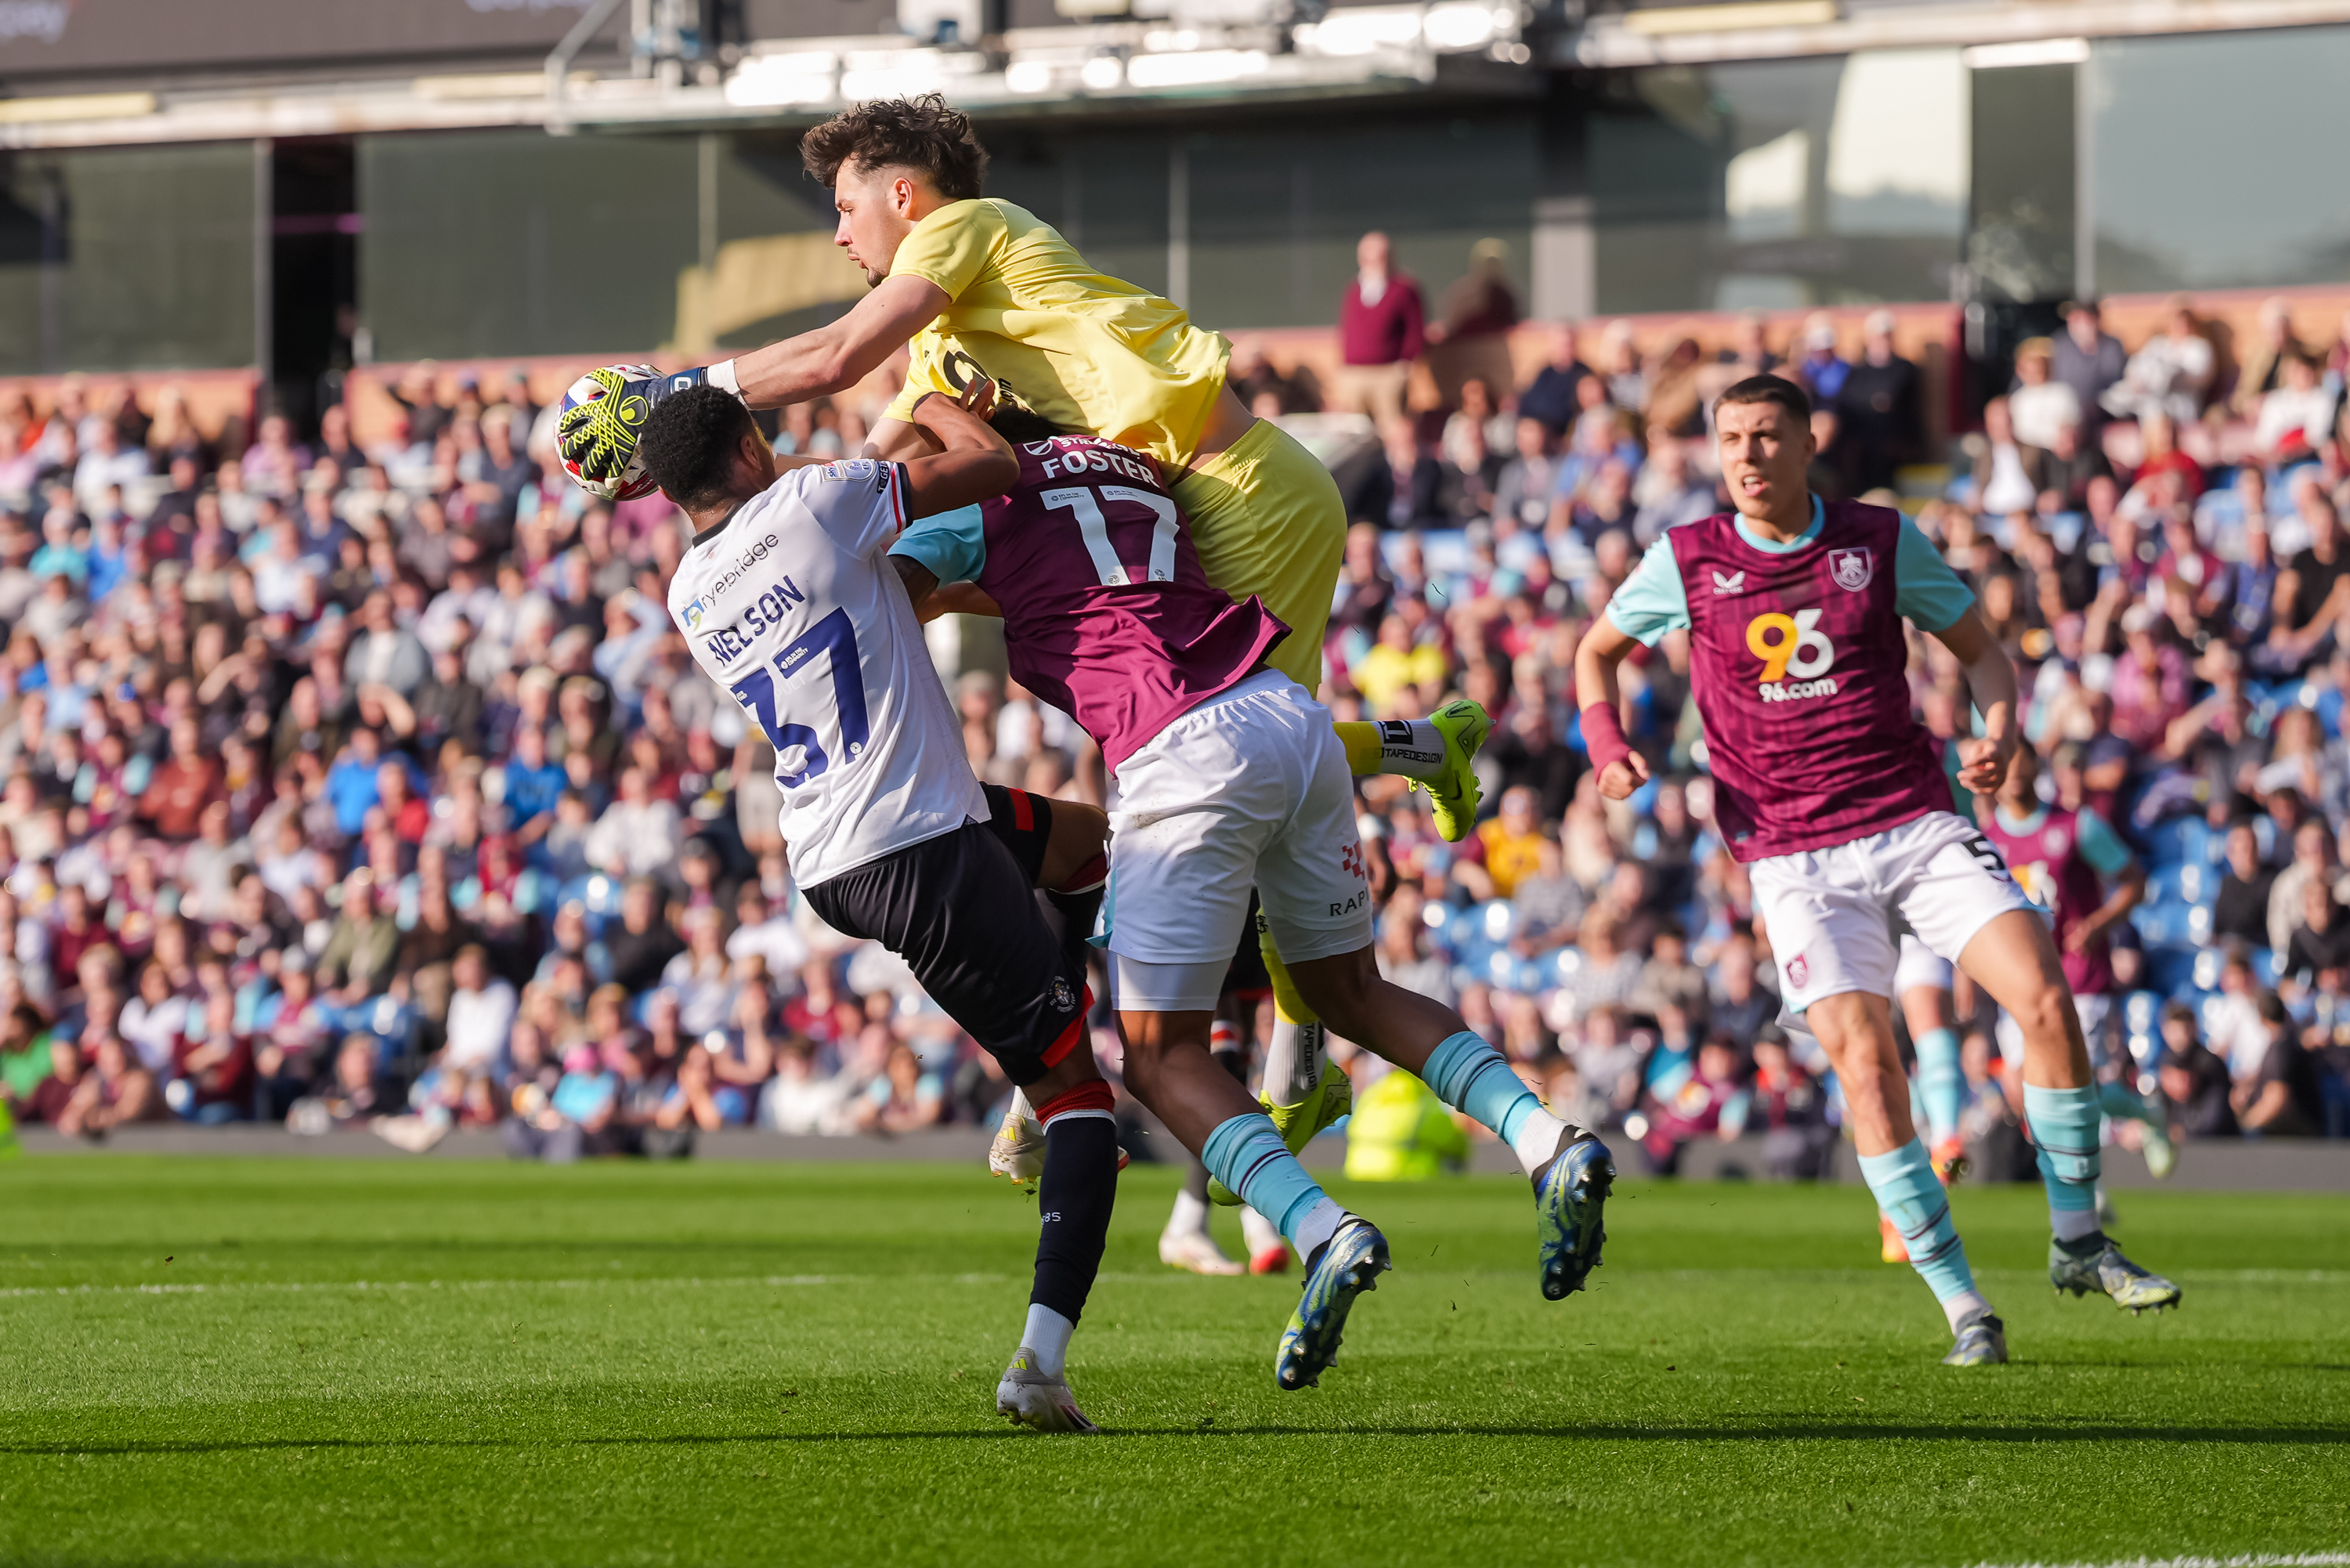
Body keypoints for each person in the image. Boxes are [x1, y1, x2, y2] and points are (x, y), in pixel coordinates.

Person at [888, 393, 1616, 1395]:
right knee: (1349, 992)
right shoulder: (1128, 469)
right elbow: (1055, 567)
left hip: (1177, 755)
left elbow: (884, 595)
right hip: (1288, 717)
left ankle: (1322, 1231)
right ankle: (1547, 1137)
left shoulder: (973, 508)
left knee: (1158, 1053)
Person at [1574, 374, 2181, 1368]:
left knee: (2041, 992)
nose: (1747, 457)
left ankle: (2079, 1239)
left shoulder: (1878, 543)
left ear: (1809, 442)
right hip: (1792, 857)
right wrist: (1608, 748)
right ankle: (1963, 1307)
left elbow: (1985, 654)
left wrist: (2001, 736)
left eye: (1767, 437)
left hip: (1912, 822)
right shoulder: (1684, 560)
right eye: (1731, 440)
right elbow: (1595, 655)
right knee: (1867, 1061)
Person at [639, 381, 1119, 1436]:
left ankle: (1043, 1043)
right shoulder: (817, 502)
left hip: (838, 848)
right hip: (918, 845)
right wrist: (947, 400)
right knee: (1083, 1096)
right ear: (755, 446)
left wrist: (896, 425)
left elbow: (842, 495)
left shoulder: (690, 589)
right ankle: (1040, 1359)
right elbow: (992, 464)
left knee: (1082, 842)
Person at [1976, 742, 2177, 1179]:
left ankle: (2087, 1195)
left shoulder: (2075, 826)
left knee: (2064, 1085)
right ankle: (2140, 1111)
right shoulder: (1988, 837)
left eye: (2019, 759)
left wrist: (2097, 925)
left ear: (2035, 766)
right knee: (2030, 1094)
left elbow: (2133, 882)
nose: (2012, 771)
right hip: (2020, 980)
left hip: (2078, 977)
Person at [1332, 230, 1426, 427]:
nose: (1374, 261)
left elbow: (1415, 330)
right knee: (1356, 430)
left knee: (1391, 428)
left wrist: (1406, 365)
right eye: (1369, 256)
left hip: (1389, 373)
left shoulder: (1404, 289)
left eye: (1380, 256)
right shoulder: (1353, 290)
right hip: (1355, 373)